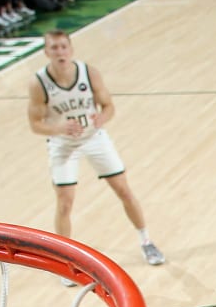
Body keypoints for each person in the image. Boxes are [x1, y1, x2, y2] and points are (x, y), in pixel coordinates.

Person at [26, 29, 166, 267]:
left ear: (71, 49)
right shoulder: (38, 83)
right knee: (65, 202)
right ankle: (64, 260)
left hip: (94, 138)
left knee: (123, 190)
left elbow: (108, 106)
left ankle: (146, 241)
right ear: (46, 52)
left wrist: (102, 117)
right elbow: (35, 125)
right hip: (63, 143)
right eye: (54, 48)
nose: (60, 52)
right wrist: (58, 128)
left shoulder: (89, 73)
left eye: (63, 47)